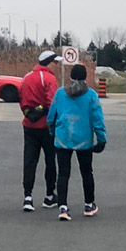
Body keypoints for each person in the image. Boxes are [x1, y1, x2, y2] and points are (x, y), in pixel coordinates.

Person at [47, 64, 107, 221]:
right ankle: (89, 204)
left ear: (70, 77)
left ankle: (63, 207)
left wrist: (53, 132)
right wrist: (101, 139)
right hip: (84, 139)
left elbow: (51, 116)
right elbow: (97, 119)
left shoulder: (60, 93)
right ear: (86, 77)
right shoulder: (91, 95)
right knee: (86, 172)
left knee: (63, 173)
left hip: (63, 138)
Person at [20, 50, 61, 211]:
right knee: (50, 161)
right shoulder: (49, 78)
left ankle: (28, 197)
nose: (57, 65)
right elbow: (53, 103)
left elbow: (21, 98)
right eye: (55, 62)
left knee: (29, 161)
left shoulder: (26, 77)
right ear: (48, 63)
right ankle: (49, 196)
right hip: (46, 127)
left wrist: (29, 113)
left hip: (29, 124)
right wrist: (54, 121)